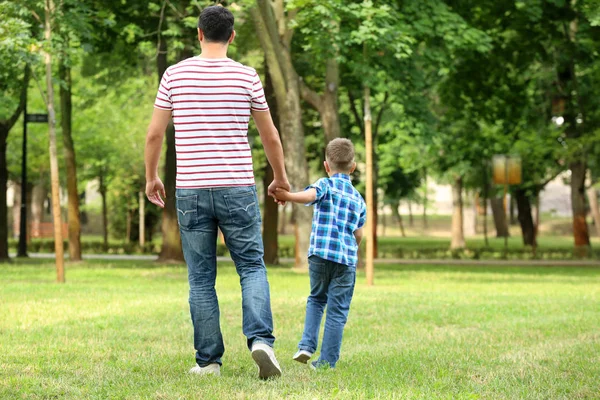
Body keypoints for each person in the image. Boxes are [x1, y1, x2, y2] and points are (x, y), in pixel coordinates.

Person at [144, 5, 289, 379]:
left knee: (201, 278)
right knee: (252, 267)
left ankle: (208, 361)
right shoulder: (247, 77)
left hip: (191, 189)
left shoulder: (174, 75)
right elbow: (270, 135)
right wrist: (280, 177)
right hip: (237, 187)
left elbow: (155, 133)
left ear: (198, 33)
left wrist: (151, 176)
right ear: (233, 36)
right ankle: (260, 341)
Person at [274, 138, 366, 369]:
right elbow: (359, 234)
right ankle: (325, 363)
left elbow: (310, 196)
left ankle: (306, 345)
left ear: (327, 166)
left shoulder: (325, 185)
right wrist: (351, 246)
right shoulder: (358, 199)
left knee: (316, 299)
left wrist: (288, 196)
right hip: (346, 261)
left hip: (320, 256)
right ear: (352, 167)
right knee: (337, 312)